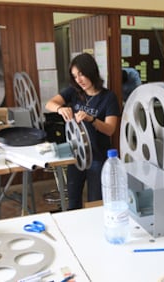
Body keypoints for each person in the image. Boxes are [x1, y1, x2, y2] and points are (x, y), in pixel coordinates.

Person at [45, 52, 120, 210]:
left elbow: (110, 129)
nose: (79, 80)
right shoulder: (73, 92)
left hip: (98, 157)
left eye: (81, 74)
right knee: (72, 201)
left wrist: (91, 119)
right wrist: (60, 109)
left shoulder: (109, 97)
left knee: (95, 203)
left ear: (91, 71)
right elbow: (49, 104)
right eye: (75, 76)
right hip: (76, 155)